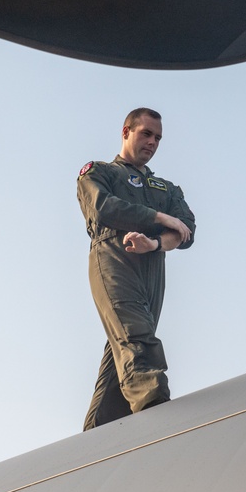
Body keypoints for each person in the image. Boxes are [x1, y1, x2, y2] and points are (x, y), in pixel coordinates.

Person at [77, 107, 196, 431]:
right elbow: (104, 207)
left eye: (158, 137)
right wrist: (159, 218)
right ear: (126, 131)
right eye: (146, 133)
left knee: (119, 360)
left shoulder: (167, 189)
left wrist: (156, 244)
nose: (153, 141)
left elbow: (186, 232)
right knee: (134, 335)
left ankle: (97, 440)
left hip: (152, 264)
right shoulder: (99, 172)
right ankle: (157, 413)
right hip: (113, 256)